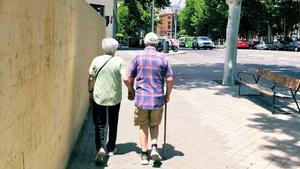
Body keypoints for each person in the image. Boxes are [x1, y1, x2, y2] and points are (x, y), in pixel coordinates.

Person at [127, 32, 174, 165]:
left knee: (143, 125)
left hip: (141, 98)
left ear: (145, 42)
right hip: (157, 98)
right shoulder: (162, 58)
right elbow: (170, 79)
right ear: (157, 43)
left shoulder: (137, 57)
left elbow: (129, 77)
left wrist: (131, 91)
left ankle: (144, 154)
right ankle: (154, 146)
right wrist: (167, 95)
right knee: (154, 124)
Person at [88, 38, 132, 163]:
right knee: (113, 122)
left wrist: (90, 92)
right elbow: (125, 78)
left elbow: (91, 78)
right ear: (115, 48)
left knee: (100, 123)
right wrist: (131, 90)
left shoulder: (96, 60)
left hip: (99, 96)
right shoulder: (119, 61)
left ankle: (100, 147)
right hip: (114, 97)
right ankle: (111, 148)